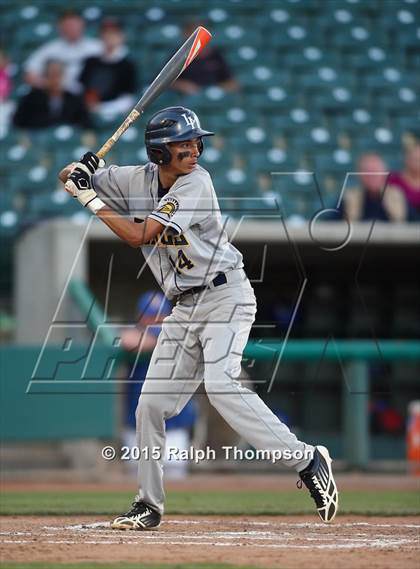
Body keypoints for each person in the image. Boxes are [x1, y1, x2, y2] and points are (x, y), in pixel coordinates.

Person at [59, 106, 338, 530]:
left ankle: (307, 459)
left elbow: (140, 236)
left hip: (226, 295)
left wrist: (88, 195)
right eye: (181, 143)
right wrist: (86, 169)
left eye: (194, 141)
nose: (193, 148)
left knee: (222, 384)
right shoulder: (133, 178)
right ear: (158, 152)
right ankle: (147, 505)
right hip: (183, 307)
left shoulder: (196, 182)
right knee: (149, 406)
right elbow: (66, 175)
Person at [121, 291, 196, 479]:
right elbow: (128, 340)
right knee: (135, 485)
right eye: (149, 315)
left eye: (159, 315)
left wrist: (155, 338)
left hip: (173, 428)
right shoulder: (134, 332)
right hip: (137, 428)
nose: (154, 320)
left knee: (174, 482)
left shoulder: (181, 333)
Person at [24, 10, 102, 95]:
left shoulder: (97, 47)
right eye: (68, 25)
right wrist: (50, 85)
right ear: (59, 27)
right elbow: (30, 75)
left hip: (91, 96)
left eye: (74, 24)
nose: (72, 28)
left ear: (82, 25)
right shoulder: (49, 50)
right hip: (61, 98)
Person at [80, 18, 137, 117]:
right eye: (106, 33)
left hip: (114, 111)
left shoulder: (127, 65)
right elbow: (81, 86)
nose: (109, 37)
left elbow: (128, 97)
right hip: (87, 109)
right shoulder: (90, 61)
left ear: (121, 37)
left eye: (113, 34)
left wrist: (102, 108)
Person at [13, 60, 91, 129]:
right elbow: (18, 123)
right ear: (45, 77)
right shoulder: (30, 99)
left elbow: (85, 124)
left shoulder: (75, 100)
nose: (55, 79)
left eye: (58, 75)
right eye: (51, 75)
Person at [172, 23, 238, 95]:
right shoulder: (179, 56)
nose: (199, 38)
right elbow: (166, 81)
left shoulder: (216, 55)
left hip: (213, 95)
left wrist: (216, 90)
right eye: (194, 34)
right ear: (186, 34)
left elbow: (232, 83)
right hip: (187, 97)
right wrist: (183, 85)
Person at [340, 153, 407, 222]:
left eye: (375, 171)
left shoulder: (396, 196)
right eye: (367, 172)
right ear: (359, 175)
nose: (371, 176)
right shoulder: (349, 197)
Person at [387, 143, 420, 221]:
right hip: (401, 226)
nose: (416, 163)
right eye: (414, 159)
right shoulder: (393, 180)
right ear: (406, 159)